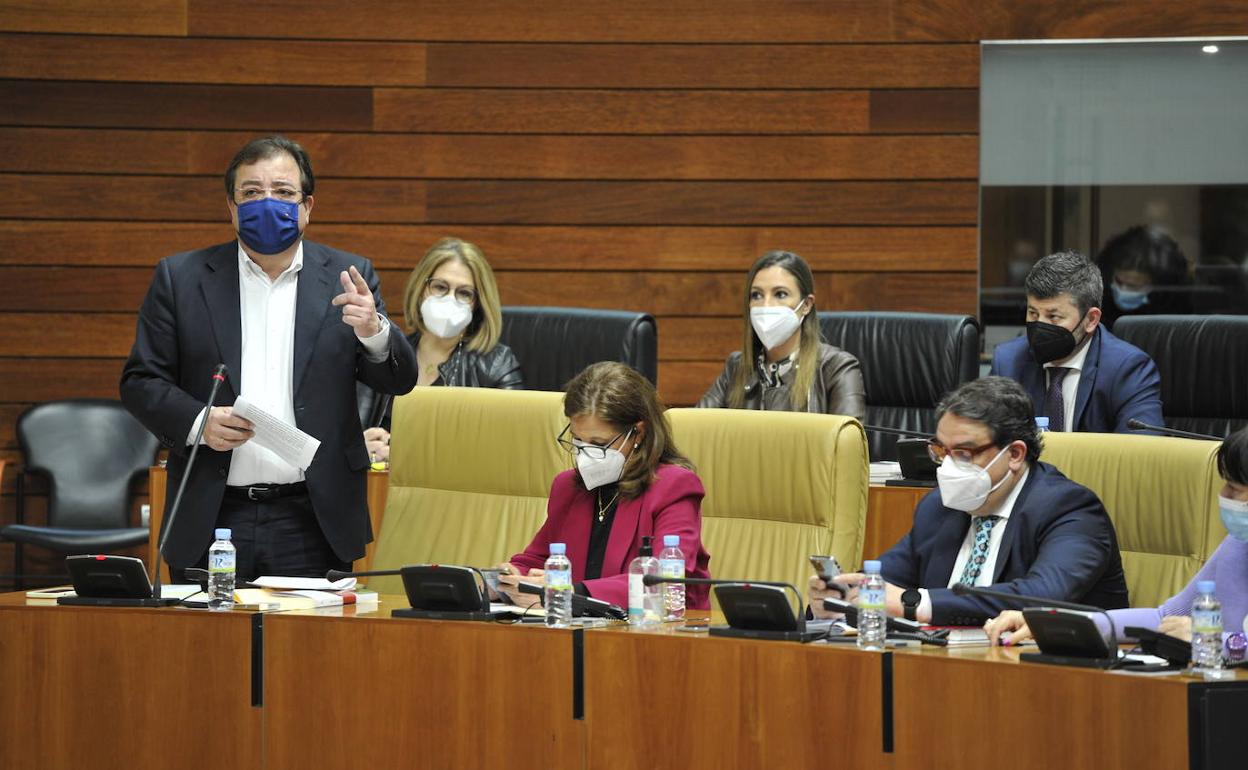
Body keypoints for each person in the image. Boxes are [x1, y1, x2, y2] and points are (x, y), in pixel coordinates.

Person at [120, 135, 418, 581]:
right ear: (232, 207)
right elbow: (141, 381)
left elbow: (398, 380)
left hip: (313, 516)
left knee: (309, 650)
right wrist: (199, 422)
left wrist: (375, 332)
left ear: (307, 205)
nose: (267, 202)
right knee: (208, 649)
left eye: (283, 191)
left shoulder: (347, 276)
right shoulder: (181, 278)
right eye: (252, 192)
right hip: (212, 513)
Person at [809, 376, 1129, 626]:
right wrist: (842, 597)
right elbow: (885, 582)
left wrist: (917, 604)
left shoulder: (1070, 509)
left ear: (1015, 454)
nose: (949, 466)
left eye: (963, 453)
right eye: (942, 451)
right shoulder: (939, 508)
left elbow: (1041, 597)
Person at [986, 426, 1248, 648]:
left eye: (1235, 489)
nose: (1223, 496)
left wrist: (1214, 642)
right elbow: (1164, 617)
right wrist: (1050, 623)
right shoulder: (1239, 543)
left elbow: (1204, 638)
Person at [495, 362, 712, 610]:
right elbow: (539, 557)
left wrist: (571, 592)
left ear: (638, 433)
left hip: (659, 632)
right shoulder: (567, 487)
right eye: (578, 441)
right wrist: (510, 576)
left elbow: (664, 580)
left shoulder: (674, 487)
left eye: (598, 444)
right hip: (579, 629)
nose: (585, 455)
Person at [361, 237, 523, 462]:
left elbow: (509, 451)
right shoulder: (385, 355)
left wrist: (406, 455)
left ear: (477, 303)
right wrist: (359, 448)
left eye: (464, 293)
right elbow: (349, 429)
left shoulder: (496, 365)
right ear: (422, 288)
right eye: (440, 287)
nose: (449, 300)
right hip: (382, 488)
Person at [990, 250, 1163, 434]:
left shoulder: (1127, 369)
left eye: (1053, 317)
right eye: (1033, 313)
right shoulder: (1009, 362)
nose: (1039, 325)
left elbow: (1140, 450)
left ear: (1091, 320)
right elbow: (986, 438)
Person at [696, 250, 866, 420]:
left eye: (780, 294)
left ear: (806, 305)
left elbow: (849, 443)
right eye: (757, 295)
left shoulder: (836, 368)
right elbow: (695, 427)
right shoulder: (737, 367)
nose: (766, 305)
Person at [1096, 225, 1192, 330]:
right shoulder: (1100, 306)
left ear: (1156, 285)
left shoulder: (1172, 313)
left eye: (1134, 287)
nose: (1123, 291)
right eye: (1119, 283)